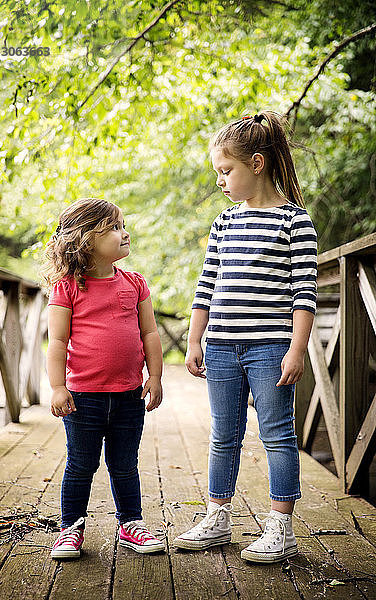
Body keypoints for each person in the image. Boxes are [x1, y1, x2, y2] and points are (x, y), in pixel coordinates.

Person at [173, 112, 317, 563]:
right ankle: (217, 516)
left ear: (256, 164)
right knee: (224, 435)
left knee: (276, 434)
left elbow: (304, 295)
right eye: (218, 171)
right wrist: (196, 341)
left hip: (271, 349)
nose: (221, 180)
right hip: (221, 347)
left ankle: (280, 526)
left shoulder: (295, 222)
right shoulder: (224, 224)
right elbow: (206, 286)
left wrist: (296, 350)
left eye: (226, 170)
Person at [42, 198, 165, 559]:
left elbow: (150, 334)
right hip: (82, 397)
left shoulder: (135, 283)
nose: (125, 233)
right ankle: (71, 528)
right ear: (86, 239)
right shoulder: (67, 288)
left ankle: (131, 524)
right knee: (81, 464)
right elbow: (58, 341)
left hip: (129, 395)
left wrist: (155, 376)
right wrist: (57, 386)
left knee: (125, 463)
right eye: (114, 227)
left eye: (123, 225)